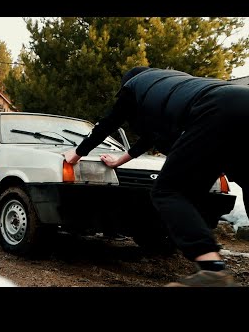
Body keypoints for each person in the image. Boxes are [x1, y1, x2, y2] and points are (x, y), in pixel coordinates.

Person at [64, 66, 249, 287]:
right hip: (238, 100)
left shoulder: (132, 87)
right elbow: (152, 137)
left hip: (218, 108)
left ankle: (213, 270)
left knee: (169, 190)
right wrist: (120, 160)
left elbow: (109, 123)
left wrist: (76, 154)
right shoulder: (174, 82)